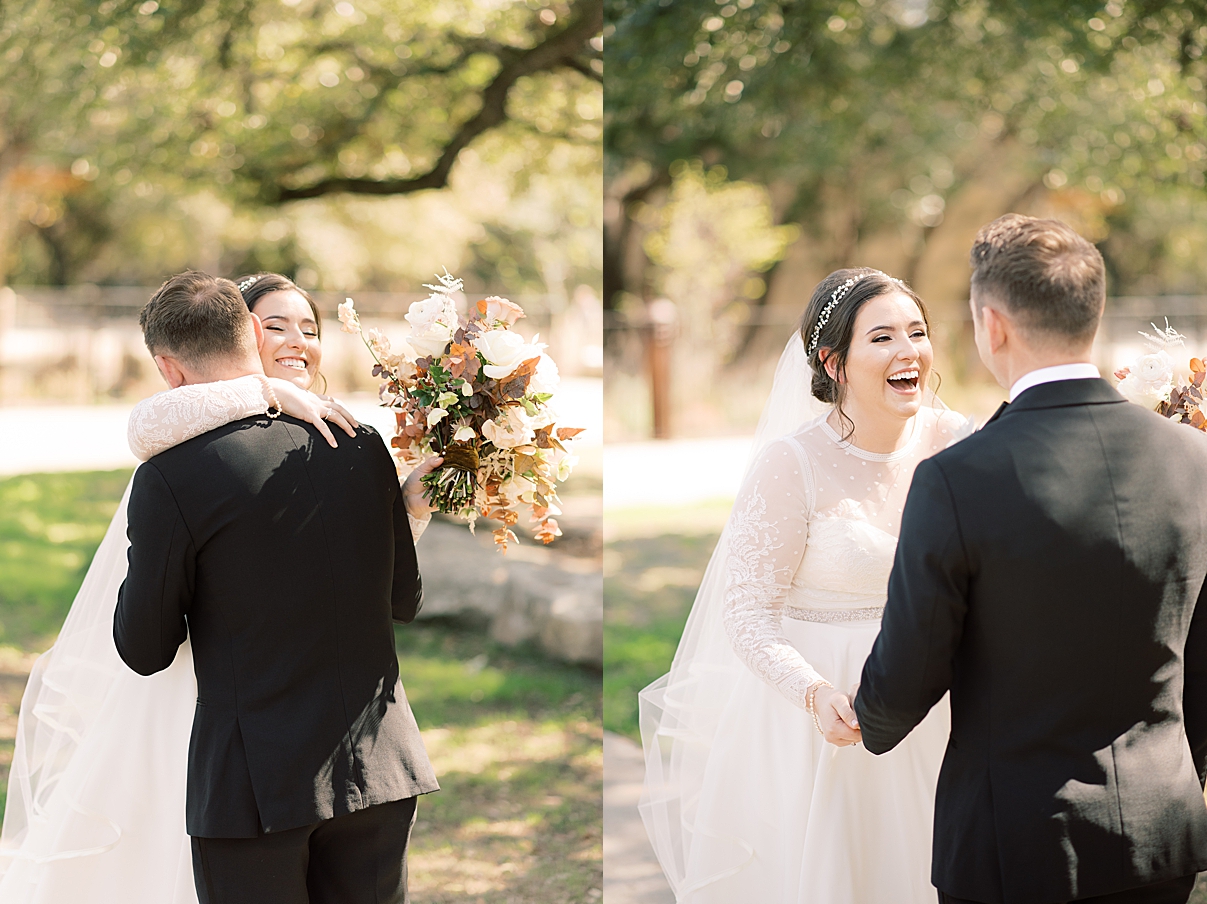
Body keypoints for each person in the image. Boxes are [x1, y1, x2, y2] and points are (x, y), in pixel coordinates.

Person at [0, 272, 439, 903]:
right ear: (252, 335)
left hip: (254, 786)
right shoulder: (364, 444)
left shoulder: (173, 475)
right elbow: (402, 599)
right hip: (378, 766)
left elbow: (145, 649)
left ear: (169, 369)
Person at [853, 214, 1207, 904]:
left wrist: (868, 718)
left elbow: (910, 667)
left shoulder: (958, 478)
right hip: (1163, 835)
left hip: (1014, 843)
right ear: (1092, 313)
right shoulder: (1192, 460)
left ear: (993, 325)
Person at [639, 267, 970, 903]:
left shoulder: (958, 440)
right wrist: (813, 692)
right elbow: (747, 612)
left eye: (917, 332)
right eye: (882, 339)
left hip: (939, 702)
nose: (909, 353)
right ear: (834, 362)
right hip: (824, 715)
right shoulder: (791, 464)